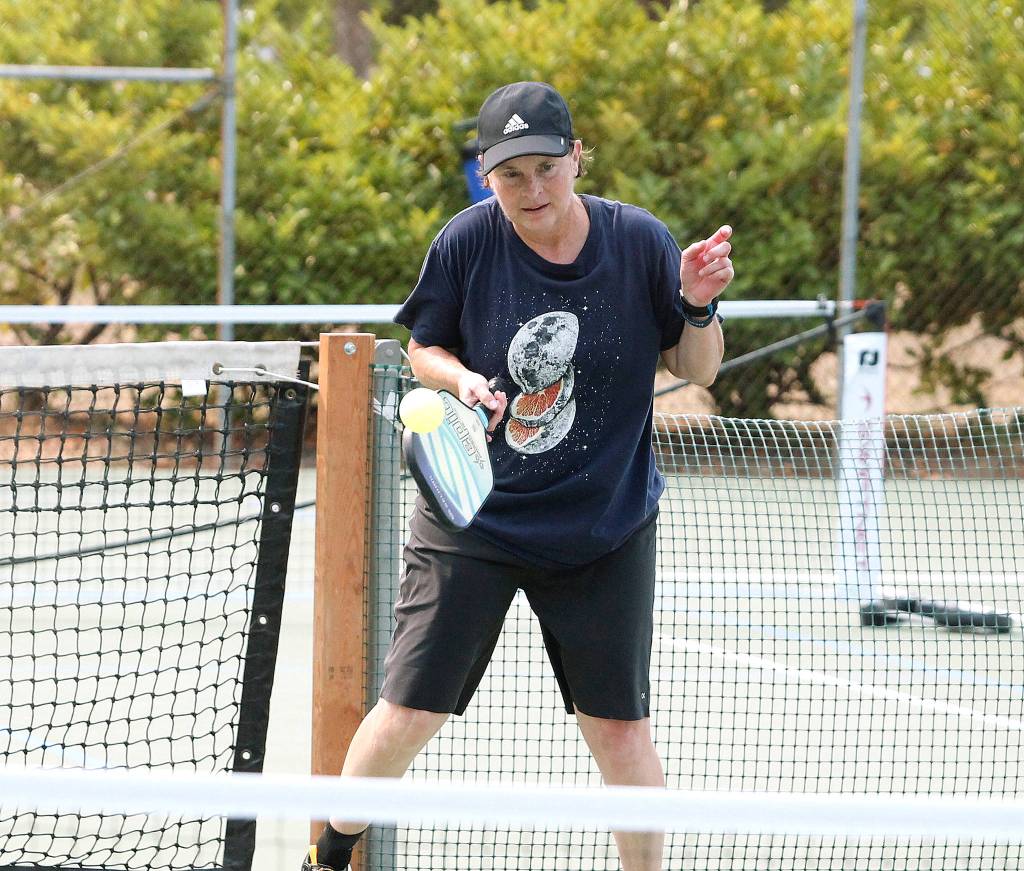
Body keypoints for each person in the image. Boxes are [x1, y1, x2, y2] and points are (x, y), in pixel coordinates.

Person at [303, 80, 734, 871]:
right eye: (510, 175)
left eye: (545, 167)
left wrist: (698, 306)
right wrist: (461, 380)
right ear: (486, 175)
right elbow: (423, 347)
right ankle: (331, 850)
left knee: (622, 730)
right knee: (407, 712)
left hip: (604, 527)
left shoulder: (640, 242)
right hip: (476, 519)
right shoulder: (467, 242)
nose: (530, 190)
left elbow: (697, 368)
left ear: (576, 157)